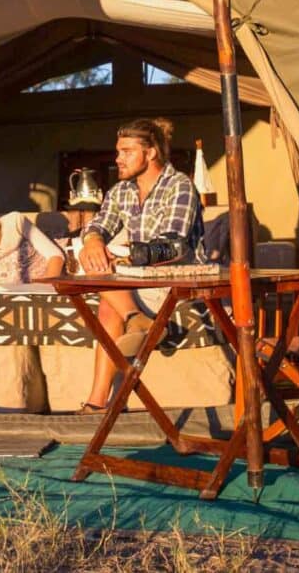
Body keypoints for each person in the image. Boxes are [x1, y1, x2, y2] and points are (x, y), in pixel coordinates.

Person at [74, 117, 199, 413]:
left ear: (151, 153)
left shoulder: (179, 186)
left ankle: (96, 402)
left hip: (175, 275)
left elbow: (175, 244)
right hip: (137, 278)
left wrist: (129, 257)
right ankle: (135, 317)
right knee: (89, 255)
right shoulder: (121, 191)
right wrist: (92, 240)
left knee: (107, 301)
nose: (118, 158)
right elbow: (101, 224)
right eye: (118, 151)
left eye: (127, 151)